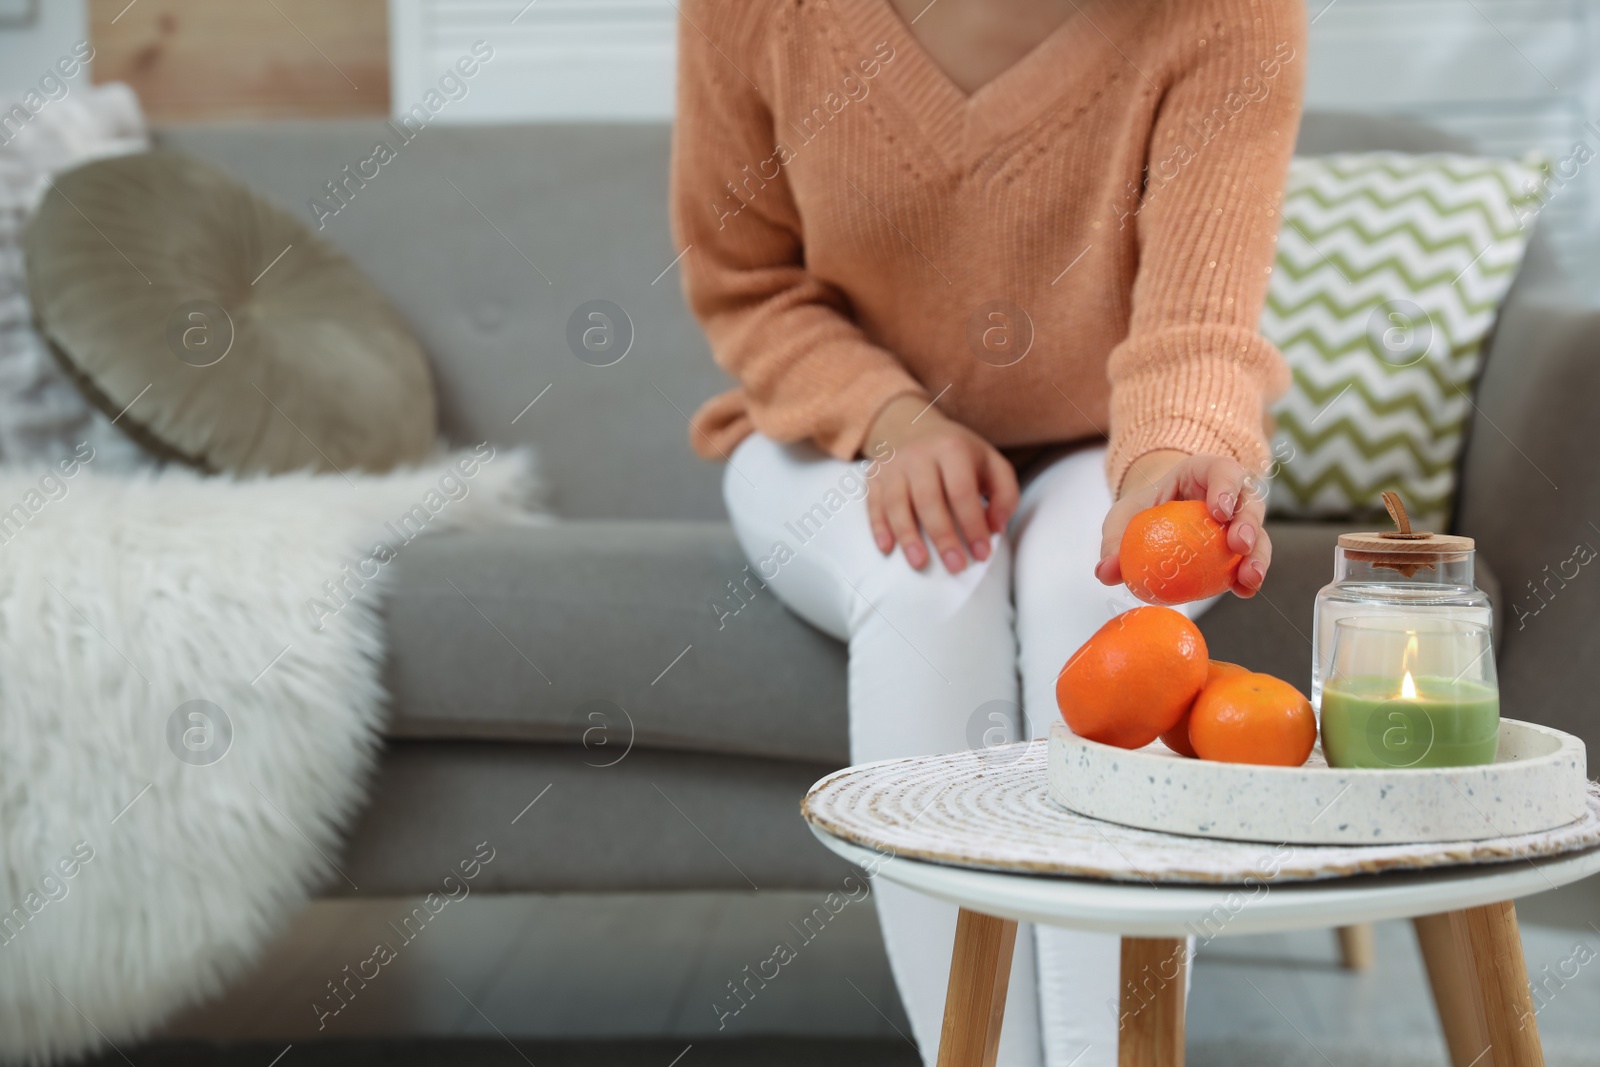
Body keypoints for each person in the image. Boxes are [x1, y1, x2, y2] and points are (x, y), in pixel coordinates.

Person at [670, 0, 1305, 1062]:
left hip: (1107, 440)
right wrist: (891, 419)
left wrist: (1168, 459)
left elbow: (1197, 324)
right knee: (929, 584)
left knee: (1099, 598)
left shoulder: (1230, 17)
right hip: (834, 433)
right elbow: (744, 283)